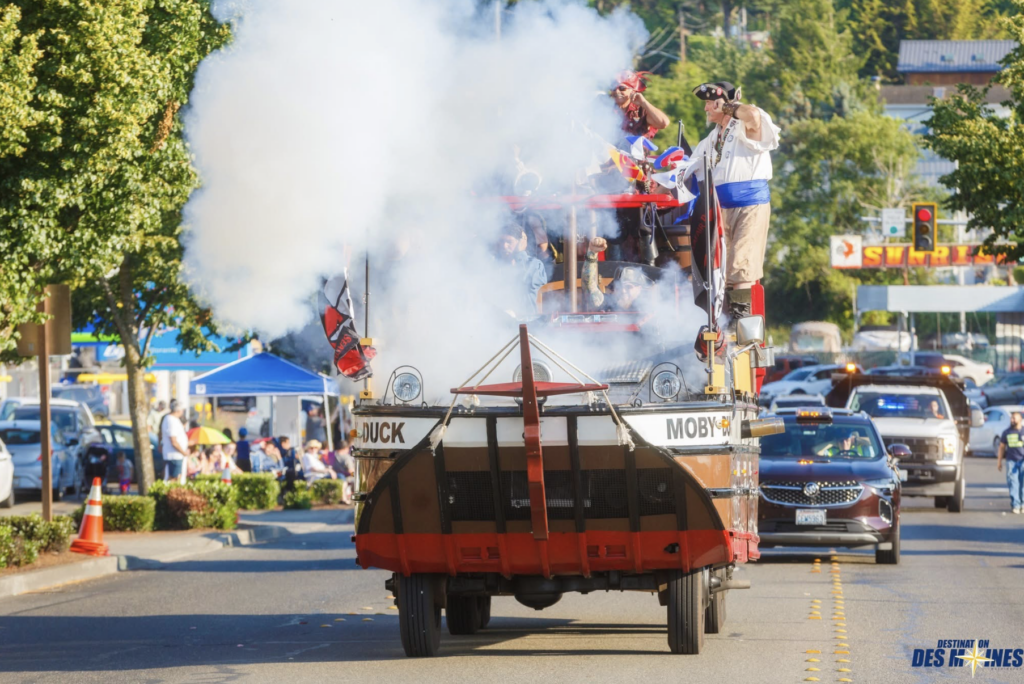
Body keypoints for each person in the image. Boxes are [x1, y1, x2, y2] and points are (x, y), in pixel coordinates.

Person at [689, 81, 780, 323]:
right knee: (724, 268)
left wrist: (730, 107)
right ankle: (727, 321)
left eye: (710, 102)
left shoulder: (744, 124)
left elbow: (752, 115)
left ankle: (742, 321)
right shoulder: (712, 138)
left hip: (749, 203)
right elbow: (689, 166)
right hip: (721, 207)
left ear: (723, 102)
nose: (706, 108)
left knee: (742, 264)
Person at [581, 237, 653, 312]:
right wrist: (592, 253)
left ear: (639, 289)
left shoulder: (645, 308)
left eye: (629, 287)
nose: (623, 291)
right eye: (619, 287)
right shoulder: (607, 304)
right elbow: (589, 286)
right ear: (613, 290)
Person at [495, 222, 548, 320]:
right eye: (501, 241)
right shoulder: (494, 265)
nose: (504, 246)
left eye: (509, 242)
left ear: (520, 243)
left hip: (529, 321)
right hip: (500, 323)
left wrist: (520, 253)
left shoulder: (535, 265)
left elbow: (525, 281)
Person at [613, 70, 670, 140]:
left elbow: (664, 123)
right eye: (614, 88)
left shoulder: (641, 111)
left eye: (622, 88)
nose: (617, 91)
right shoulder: (605, 106)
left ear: (633, 90)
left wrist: (643, 102)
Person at [997, 411, 1024, 514]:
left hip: (1023, 461)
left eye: (1014, 418)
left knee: (1023, 484)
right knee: (1013, 483)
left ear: (1020, 419)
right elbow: (1002, 447)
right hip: (1011, 461)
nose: (1012, 420)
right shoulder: (1006, 432)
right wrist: (999, 461)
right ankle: (1016, 504)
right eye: (1011, 418)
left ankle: (1023, 503)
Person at [160, 399, 189, 484]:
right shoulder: (171, 420)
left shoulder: (172, 419)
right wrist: (183, 452)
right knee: (174, 478)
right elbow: (173, 441)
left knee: (176, 477)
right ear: (178, 410)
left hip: (176, 454)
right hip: (174, 455)